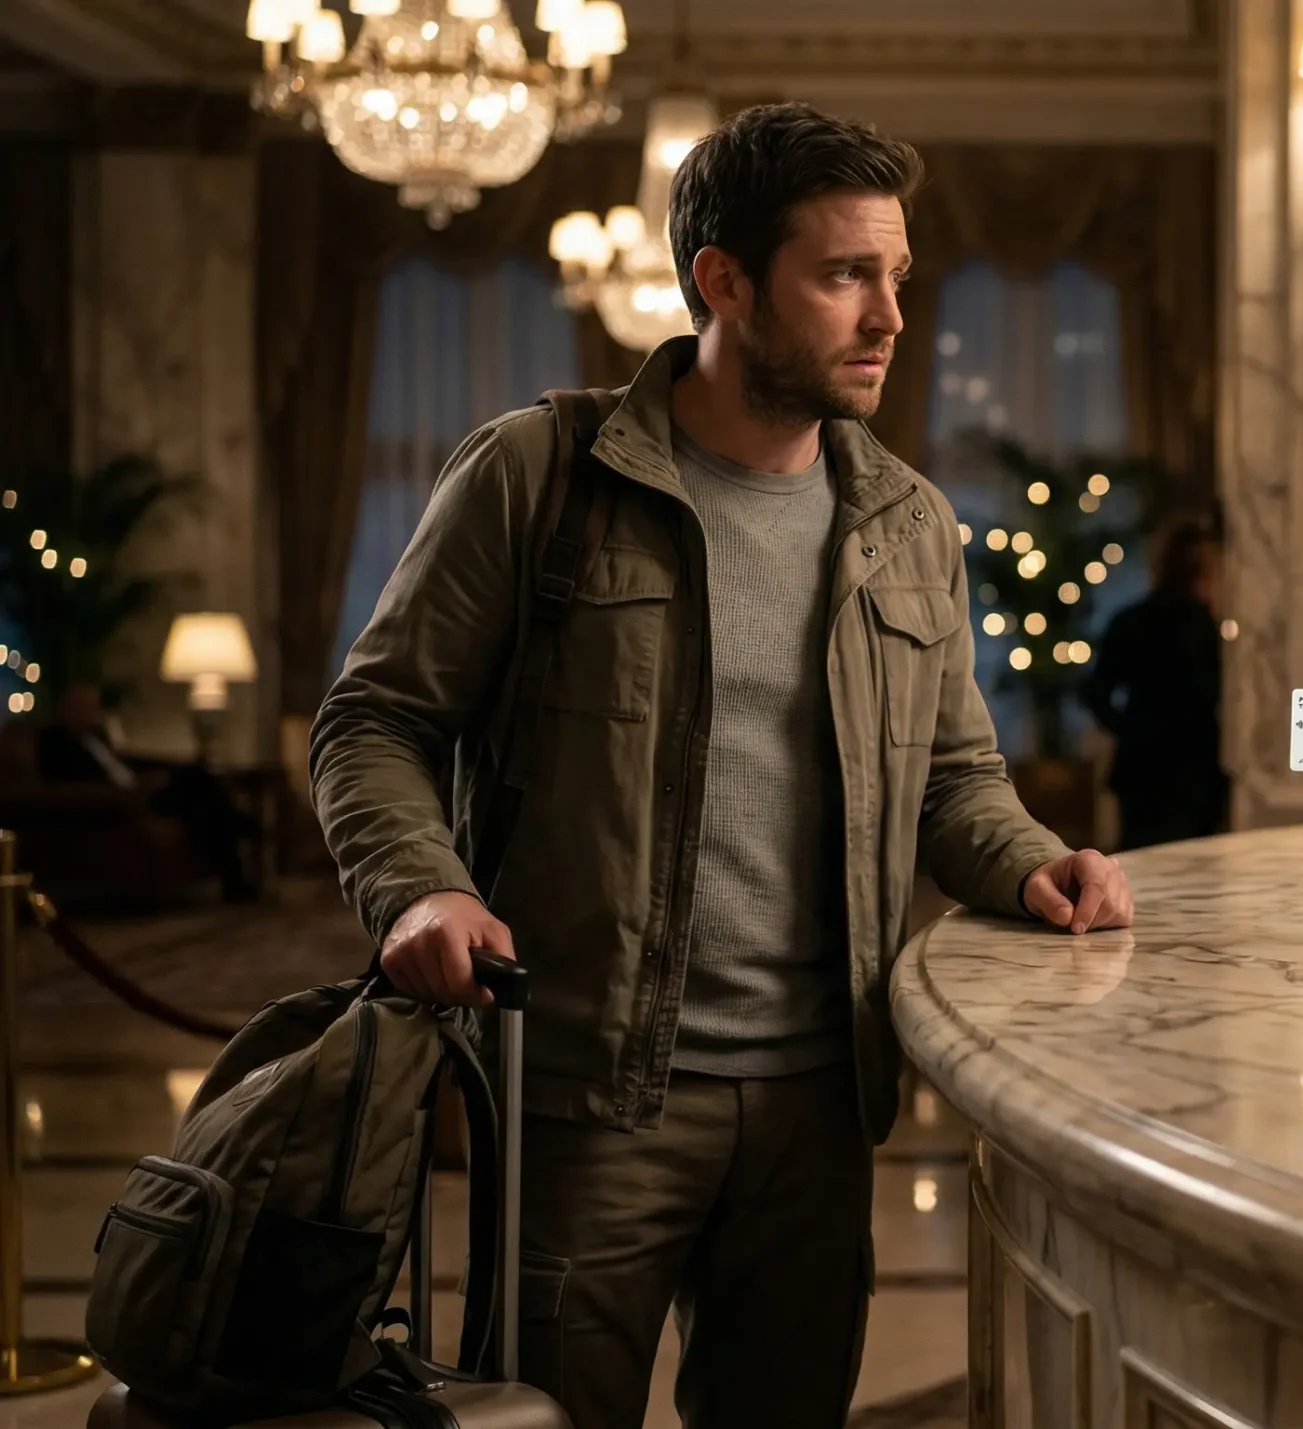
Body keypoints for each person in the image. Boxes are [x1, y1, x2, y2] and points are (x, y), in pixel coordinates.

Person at [309, 104, 1134, 1429]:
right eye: (844, 275)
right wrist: (419, 888)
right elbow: (373, 721)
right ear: (724, 282)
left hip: (822, 1105)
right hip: (587, 1100)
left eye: (897, 279)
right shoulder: (541, 476)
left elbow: (951, 779)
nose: (888, 317)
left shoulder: (906, 523)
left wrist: (1036, 863)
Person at [38, 679, 257, 902]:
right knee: (199, 787)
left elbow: (127, 763)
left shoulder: (97, 738)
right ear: (66, 708)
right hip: (121, 800)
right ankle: (242, 827)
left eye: (93, 707)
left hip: (138, 790)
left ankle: (235, 868)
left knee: (200, 795)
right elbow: (73, 781)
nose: (91, 713)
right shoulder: (56, 742)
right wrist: (136, 787)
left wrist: (149, 778)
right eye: (84, 707)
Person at [1080, 519, 1227, 849]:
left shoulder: (1131, 620)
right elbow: (1212, 696)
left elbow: (1094, 691)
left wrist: (1130, 728)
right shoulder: (1200, 626)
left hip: (1145, 766)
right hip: (1188, 768)